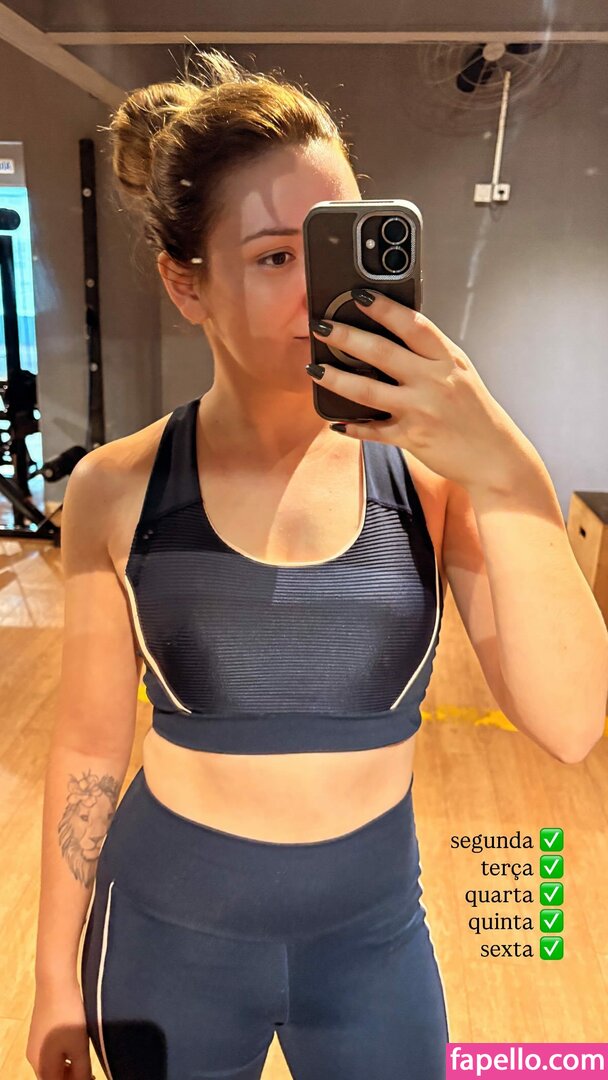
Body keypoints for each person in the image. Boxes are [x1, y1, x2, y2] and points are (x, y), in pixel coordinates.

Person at [27, 45, 606, 1080]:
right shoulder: (116, 488)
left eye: (334, 246)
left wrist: (505, 463)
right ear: (186, 285)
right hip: (167, 943)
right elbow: (85, 746)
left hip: (371, 945)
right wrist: (53, 983)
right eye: (272, 258)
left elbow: (570, 725)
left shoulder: (432, 482)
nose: (320, 295)